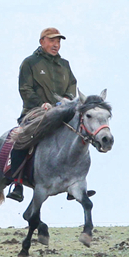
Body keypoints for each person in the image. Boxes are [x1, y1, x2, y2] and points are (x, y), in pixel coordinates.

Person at [7, 27, 78, 202]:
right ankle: (17, 183)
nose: (56, 45)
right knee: (22, 139)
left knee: (80, 135)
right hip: (35, 113)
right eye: (52, 40)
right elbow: (25, 88)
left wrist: (67, 99)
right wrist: (41, 104)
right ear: (42, 42)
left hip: (61, 112)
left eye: (58, 41)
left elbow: (72, 84)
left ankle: (75, 182)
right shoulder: (30, 63)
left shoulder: (65, 65)